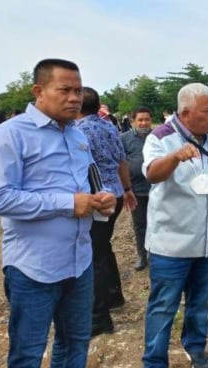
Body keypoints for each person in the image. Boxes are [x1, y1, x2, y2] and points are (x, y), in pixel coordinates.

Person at [0, 58, 117, 368]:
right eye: (65, 90)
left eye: (79, 90)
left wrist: (101, 200)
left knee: (74, 344)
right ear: (39, 91)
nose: (74, 98)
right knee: (27, 356)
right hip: (33, 268)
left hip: (79, 262)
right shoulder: (11, 135)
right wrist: (68, 203)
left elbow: (87, 185)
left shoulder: (77, 135)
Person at [141, 83, 208, 368]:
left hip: (207, 241)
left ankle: (195, 348)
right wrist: (175, 157)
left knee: (200, 302)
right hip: (172, 244)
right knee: (163, 306)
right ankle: (154, 363)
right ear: (187, 112)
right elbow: (152, 174)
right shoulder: (161, 137)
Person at [75, 87, 138, 337]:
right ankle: (113, 296)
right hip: (117, 194)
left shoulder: (76, 132)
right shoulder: (109, 126)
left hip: (97, 199)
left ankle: (99, 317)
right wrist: (127, 189)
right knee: (103, 247)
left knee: (94, 255)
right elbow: (121, 161)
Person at [120, 107, 153, 271]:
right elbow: (120, 163)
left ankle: (156, 254)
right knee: (140, 224)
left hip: (157, 188)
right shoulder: (124, 139)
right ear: (133, 121)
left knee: (157, 222)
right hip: (136, 190)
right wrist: (125, 189)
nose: (144, 123)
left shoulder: (157, 137)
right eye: (140, 120)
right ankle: (142, 254)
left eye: (146, 119)